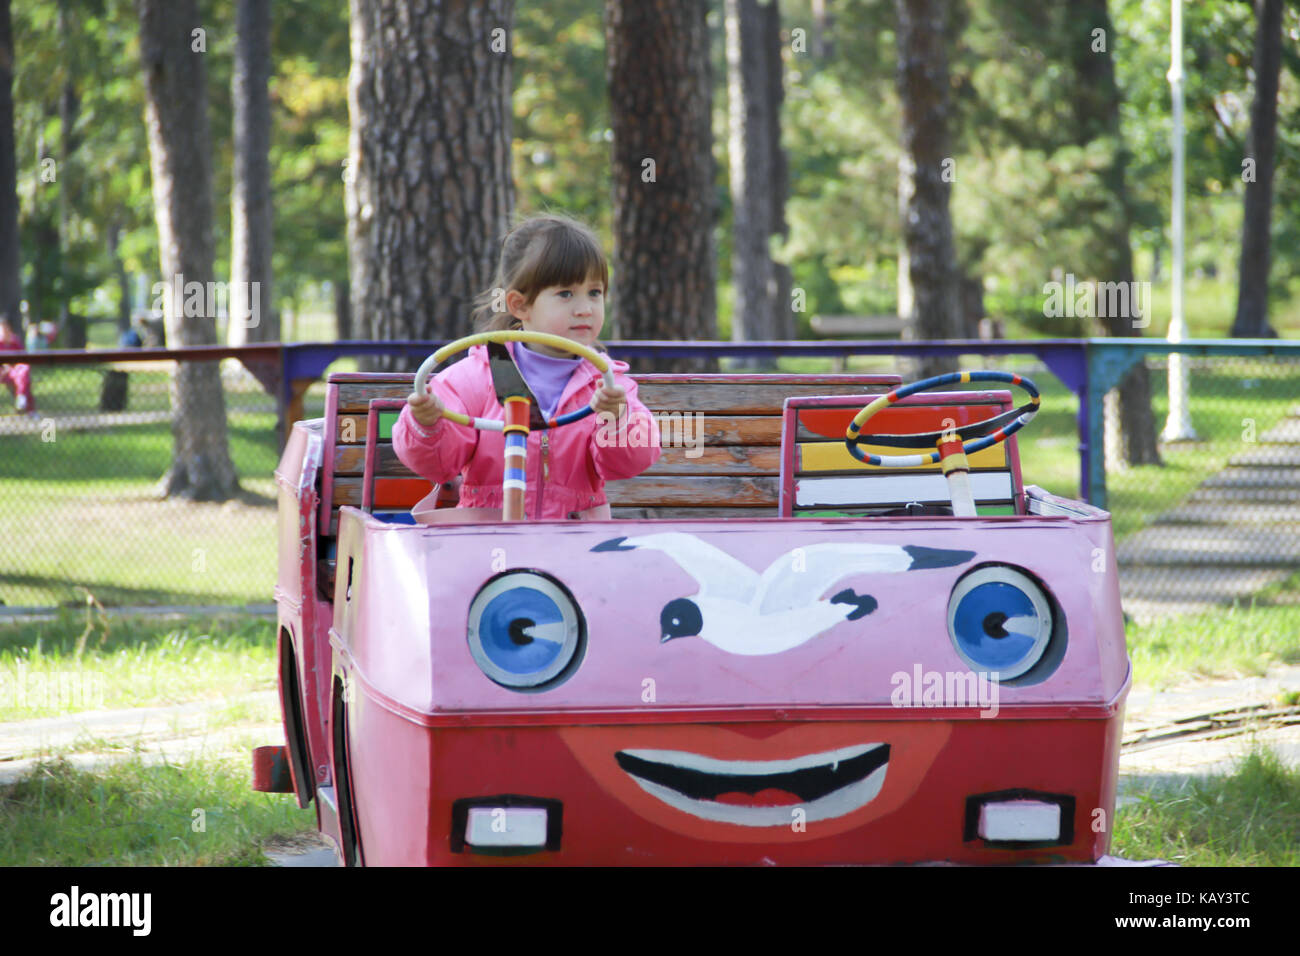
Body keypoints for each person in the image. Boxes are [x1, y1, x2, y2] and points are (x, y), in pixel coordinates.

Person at [393, 214, 661, 520]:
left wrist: (617, 418)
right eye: (565, 294)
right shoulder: (475, 377)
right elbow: (438, 465)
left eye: (595, 292)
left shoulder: (610, 386)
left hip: (575, 546)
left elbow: (630, 463)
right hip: (487, 545)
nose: (585, 308)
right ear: (520, 305)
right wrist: (428, 424)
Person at [0, 317, 36, 415]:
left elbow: (23, 358)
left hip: (15, 371)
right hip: (3, 372)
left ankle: (22, 399)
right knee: (24, 378)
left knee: (23, 373)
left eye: (5, 327)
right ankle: (26, 404)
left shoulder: (15, 341)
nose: (4, 330)